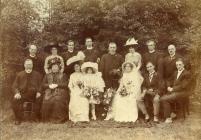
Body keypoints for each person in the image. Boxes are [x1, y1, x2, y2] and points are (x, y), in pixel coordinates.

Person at [12, 59, 42, 125]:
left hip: (34, 94)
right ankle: (18, 118)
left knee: (40, 99)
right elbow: (14, 86)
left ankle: (36, 117)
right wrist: (17, 93)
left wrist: (39, 92)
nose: (29, 66)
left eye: (30, 64)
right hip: (23, 94)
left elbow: (40, 85)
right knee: (15, 100)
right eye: (27, 64)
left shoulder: (37, 74)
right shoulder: (19, 74)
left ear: (32, 65)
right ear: (24, 65)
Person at [160, 58, 191, 123]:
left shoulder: (187, 73)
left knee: (164, 99)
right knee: (163, 97)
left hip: (183, 92)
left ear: (183, 65)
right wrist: (168, 86)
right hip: (175, 92)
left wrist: (173, 89)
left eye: (180, 65)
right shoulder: (175, 72)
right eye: (177, 65)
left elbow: (183, 86)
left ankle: (168, 118)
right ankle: (172, 113)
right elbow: (169, 80)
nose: (178, 66)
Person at [41, 58, 68, 123]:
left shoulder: (63, 75)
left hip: (61, 92)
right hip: (49, 92)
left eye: (56, 67)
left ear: (59, 67)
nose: (54, 68)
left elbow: (66, 84)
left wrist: (57, 85)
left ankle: (58, 119)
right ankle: (47, 119)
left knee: (57, 100)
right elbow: (43, 85)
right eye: (53, 67)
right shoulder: (47, 75)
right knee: (46, 100)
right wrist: (49, 86)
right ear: (51, 68)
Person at [68, 57, 89, 123]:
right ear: (74, 68)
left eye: (78, 67)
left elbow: (86, 85)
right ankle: (75, 117)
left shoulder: (83, 75)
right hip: (74, 90)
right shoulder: (72, 75)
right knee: (75, 98)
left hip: (82, 90)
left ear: (80, 67)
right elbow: (70, 85)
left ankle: (83, 117)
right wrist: (72, 91)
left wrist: (82, 86)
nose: (77, 68)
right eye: (75, 67)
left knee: (84, 100)